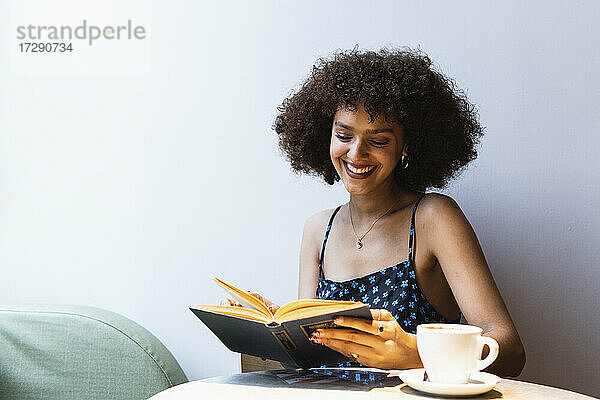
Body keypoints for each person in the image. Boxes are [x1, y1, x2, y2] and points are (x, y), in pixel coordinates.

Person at [225, 47, 525, 377]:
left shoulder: (432, 219)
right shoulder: (317, 230)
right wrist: (278, 327)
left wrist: (417, 354)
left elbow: (509, 350)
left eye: (378, 140)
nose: (357, 153)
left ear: (406, 146)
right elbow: (310, 364)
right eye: (343, 135)